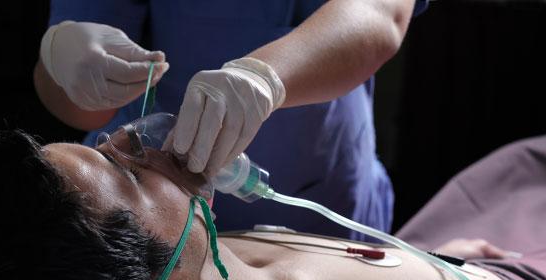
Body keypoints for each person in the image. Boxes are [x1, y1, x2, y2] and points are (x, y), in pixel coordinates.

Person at [0, 130, 544, 280]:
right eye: (125, 173)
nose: (131, 140)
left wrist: (442, 266)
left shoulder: (214, 258)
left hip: (471, 255)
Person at [34, 0, 430, 239]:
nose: (117, 144)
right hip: (144, 231)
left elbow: (380, 13)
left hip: (324, 204)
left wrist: (263, 76)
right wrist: (66, 66)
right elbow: (84, 110)